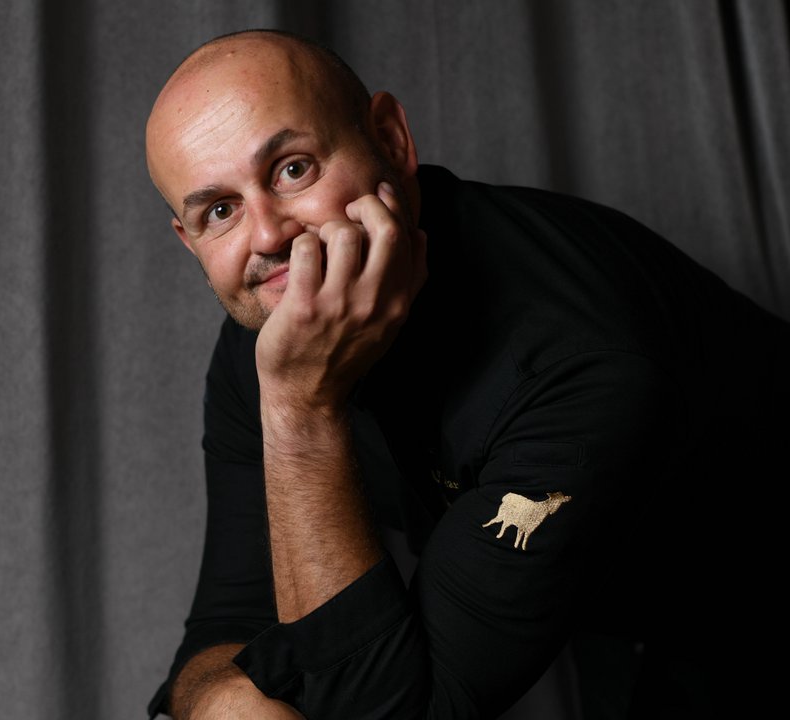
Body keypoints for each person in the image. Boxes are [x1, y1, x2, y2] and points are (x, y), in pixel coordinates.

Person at [143, 29, 788, 720]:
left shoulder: (577, 355)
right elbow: (229, 621)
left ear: (391, 140)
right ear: (189, 241)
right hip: (631, 610)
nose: (269, 236)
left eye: (293, 169)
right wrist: (218, 702)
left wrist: (301, 412)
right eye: (220, 211)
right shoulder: (280, 330)